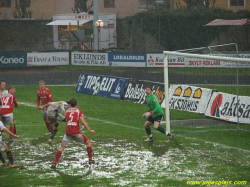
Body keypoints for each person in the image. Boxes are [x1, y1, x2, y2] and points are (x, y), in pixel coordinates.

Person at [51, 98, 95, 168]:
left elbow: (67, 117)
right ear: (76, 104)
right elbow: (83, 122)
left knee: (62, 147)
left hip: (68, 133)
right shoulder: (79, 111)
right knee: (88, 143)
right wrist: (90, 130)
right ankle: (90, 160)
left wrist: (63, 109)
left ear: (70, 105)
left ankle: (54, 163)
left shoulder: (68, 111)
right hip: (76, 133)